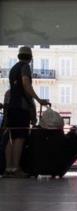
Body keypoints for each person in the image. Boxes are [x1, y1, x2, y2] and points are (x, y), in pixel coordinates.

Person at [3, 46, 50, 178]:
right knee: (19, 138)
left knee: (10, 138)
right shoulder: (25, 67)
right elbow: (26, 84)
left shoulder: (13, 68)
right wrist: (39, 99)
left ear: (19, 56)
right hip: (21, 107)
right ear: (30, 57)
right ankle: (16, 168)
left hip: (12, 107)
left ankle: (9, 168)